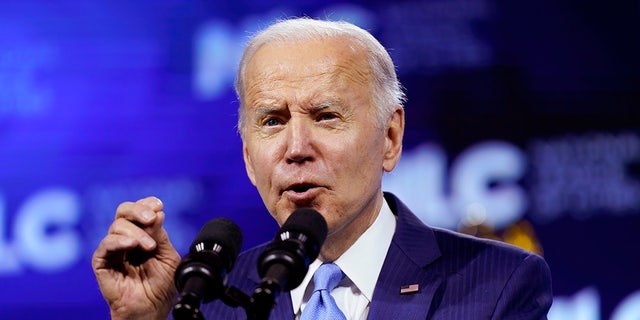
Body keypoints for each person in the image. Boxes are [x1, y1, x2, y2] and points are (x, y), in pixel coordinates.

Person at [92, 17, 553, 320]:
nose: (296, 148)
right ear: (249, 157)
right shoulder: (207, 301)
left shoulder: (497, 284)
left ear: (389, 138)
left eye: (326, 116)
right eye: (272, 121)